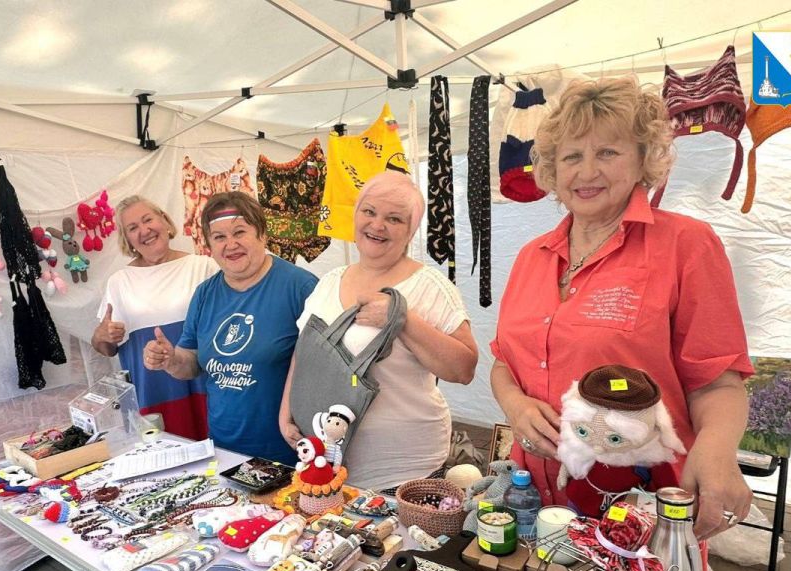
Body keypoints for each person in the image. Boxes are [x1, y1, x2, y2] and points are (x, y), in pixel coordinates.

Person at [490, 76, 754, 539]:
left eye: (607, 152)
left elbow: (717, 381)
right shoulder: (533, 256)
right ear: (552, 168)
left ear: (642, 159)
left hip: (637, 508)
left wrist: (716, 452)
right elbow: (503, 364)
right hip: (531, 502)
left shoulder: (685, 244)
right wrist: (516, 406)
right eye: (572, 156)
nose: (587, 171)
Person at [280, 171, 478, 489]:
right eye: (369, 211)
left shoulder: (429, 286)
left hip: (405, 471)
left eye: (394, 219)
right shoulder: (329, 281)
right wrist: (287, 411)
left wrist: (402, 319)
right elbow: (306, 352)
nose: (377, 225)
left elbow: (463, 369)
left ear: (411, 230)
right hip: (327, 464)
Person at [143, 191, 317, 463]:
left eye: (239, 232)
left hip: (291, 452)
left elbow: (325, 369)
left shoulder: (301, 287)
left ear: (262, 234)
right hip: (224, 451)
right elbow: (191, 363)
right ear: (209, 246)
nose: (230, 244)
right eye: (219, 237)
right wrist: (170, 359)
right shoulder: (205, 294)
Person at [92, 195, 216, 440]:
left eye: (148, 220)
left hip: (206, 386)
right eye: (133, 228)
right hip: (152, 396)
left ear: (165, 221)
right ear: (127, 239)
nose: (144, 230)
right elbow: (106, 348)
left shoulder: (204, 267)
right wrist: (102, 335)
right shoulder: (120, 281)